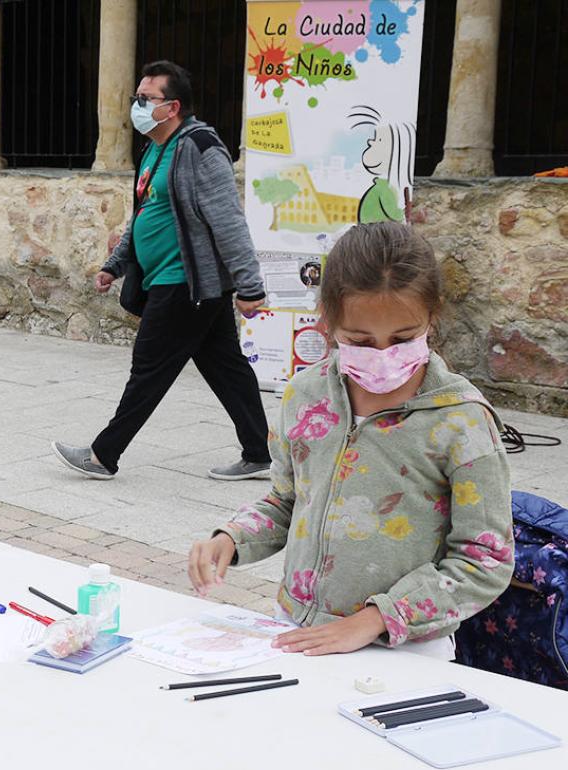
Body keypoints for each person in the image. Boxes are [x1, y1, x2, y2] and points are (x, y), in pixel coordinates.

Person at [188, 222, 514, 658]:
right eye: (360, 341)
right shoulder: (305, 396)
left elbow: (485, 560)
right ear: (328, 320)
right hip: (297, 628)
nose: (383, 356)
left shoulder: (462, 421)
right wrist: (231, 538)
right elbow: (288, 500)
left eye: (403, 339)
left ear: (432, 318)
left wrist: (378, 618)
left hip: (405, 648)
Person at [52, 60, 272, 482]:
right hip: (172, 282)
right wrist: (115, 265)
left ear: (172, 107)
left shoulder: (201, 148)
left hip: (186, 284)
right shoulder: (154, 149)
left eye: (145, 98)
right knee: (226, 367)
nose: (136, 105)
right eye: (136, 96)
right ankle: (260, 453)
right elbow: (145, 214)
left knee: (148, 369)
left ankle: (102, 456)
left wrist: (250, 286)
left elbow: (228, 221)